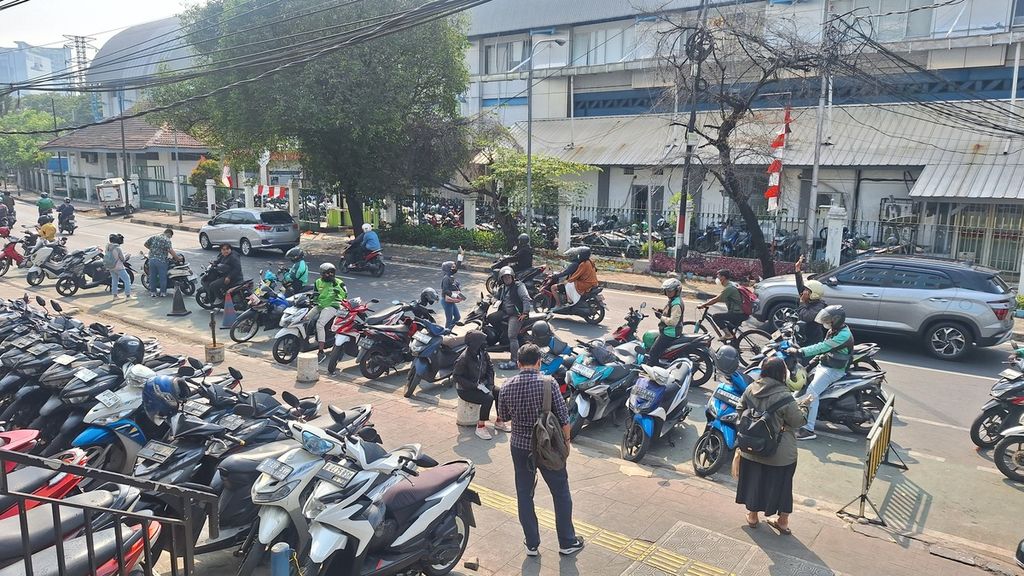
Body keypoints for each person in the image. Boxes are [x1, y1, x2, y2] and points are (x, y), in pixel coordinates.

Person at [497, 343, 585, 557]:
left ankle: (532, 545)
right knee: (561, 493)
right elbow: (564, 419)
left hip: (520, 447)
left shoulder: (507, 385)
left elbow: (503, 417)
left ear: (518, 363)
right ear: (538, 362)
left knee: (525, 495)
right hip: (548, 448)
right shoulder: (549, 383)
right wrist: (566, 442)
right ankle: (566, 542)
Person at [734, 356, 811, 535]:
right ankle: (782, 522)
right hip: (779, 454)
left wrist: (753, 422)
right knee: (783, 487)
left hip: (751, 449)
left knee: (754, 482)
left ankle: (753, 517)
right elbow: (798, 420)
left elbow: (740, 409)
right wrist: (805, 406)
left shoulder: (750, 389)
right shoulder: (785, 396)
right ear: (782, 374)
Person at [788, 305, 853, 441]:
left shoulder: (843, 335)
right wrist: (810, 363)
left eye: (828, 320)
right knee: (802, 385)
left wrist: (800, 351)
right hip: (825, 364)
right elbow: (824, 350)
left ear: (836, 320)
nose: (826, 322)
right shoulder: (835, 330)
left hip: (834, 370)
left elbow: (822, 347)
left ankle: (809, 429)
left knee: (812, 393)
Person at [453, 330, 511, 438]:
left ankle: (499, 420)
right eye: (482, 340)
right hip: (466, 390)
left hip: (482, 385)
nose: (485, 342)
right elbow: (456, 376)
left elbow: (490, 368)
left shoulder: (483, 352)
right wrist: (473, 385)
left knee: (500, 392)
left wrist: (489, 384)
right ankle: (480, 427)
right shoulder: (463, 359)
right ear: (476, 342)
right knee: (488, 398)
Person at [495, 266, 532, 370]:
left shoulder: (519, 286)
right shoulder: (502, 288)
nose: (507, 279)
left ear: (512, 276)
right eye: (504, 277)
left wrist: (525, 312)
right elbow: (496, 297)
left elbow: (526, 299)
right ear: (501, 279)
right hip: (505, 312)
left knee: (512, 336)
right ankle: (502, 338)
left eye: (508, 277)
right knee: (491, 318)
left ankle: (514, 361)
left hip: (516, 315)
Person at [697, 269, 748, 340]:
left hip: (738, 313)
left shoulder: (729, 288)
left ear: (723, 277)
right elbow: (721, 296)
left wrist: (703, 305)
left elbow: (718, 299)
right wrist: (710, 301)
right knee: (729, 329)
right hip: (741, 312)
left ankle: (728, 334)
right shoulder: (732, 284)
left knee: (716, 317)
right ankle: (734, 345)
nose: (717, 279)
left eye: (718, 277)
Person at [646, 278, 685, 366]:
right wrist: (662, 312)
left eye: (670, 291)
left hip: (669, 333)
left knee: (653, 353)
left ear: (677, 290)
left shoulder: (676, 304)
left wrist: (661, 317)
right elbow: (670, 313)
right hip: (668, 331)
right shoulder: (674, 300)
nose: (668, 293)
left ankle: (652, 369)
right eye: (666, 291)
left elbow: (673, 322)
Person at [314, 262, 347, 360]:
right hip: (320, 305)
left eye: (331, 273)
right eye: (327, 273)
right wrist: (312, 300)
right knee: (305, 318)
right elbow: (315, 294)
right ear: (322, 274)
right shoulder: (318, 282)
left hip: (332, 306)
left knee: (319, 324)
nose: (330, 275)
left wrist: (336, 287)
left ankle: (320, 351)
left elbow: (344, 295)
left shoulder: (339, 282)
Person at [793, 256, 826, 345]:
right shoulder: (810, 299)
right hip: (802, 335)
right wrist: (797, 269)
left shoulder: (819, 306)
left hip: (812, 341)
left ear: (813, 293)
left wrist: (802, 302)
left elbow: (805, 317)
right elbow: (800, 287)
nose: (804, 292)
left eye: (806, 291)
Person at [144, 228, 178, 298]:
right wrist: (177, 258)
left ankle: (153, 292)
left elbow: (146, 244)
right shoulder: (167, 240)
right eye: (170, 236)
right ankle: (162, 292)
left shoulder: (154, 237)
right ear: (169, 234)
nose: (170, 238)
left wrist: (153, 250)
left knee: (152, 277)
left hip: (152, 260)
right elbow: (170, 251)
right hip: (161, 260)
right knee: (163, 277)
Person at [441, 251, 466, 331]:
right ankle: (445, 334)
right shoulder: (446, 278)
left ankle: (448, 331)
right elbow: (445, 291)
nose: (454, 267)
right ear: (448, 268)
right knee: (449, 318)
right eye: (452, 266)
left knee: (457, 317)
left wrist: (461, 255)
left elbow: (457, 267)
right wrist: (456, 296)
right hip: (447, 301)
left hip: (451, 300)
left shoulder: (450, 275)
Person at [105, 233, 133, 300]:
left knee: (114, 280)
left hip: (110, 266)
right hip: (118, 267)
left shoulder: (108, 247)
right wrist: (126, 256)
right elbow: (122, 259)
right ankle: (128, 296)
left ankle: (115, 296)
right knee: (127, 279)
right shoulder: (118, 248)